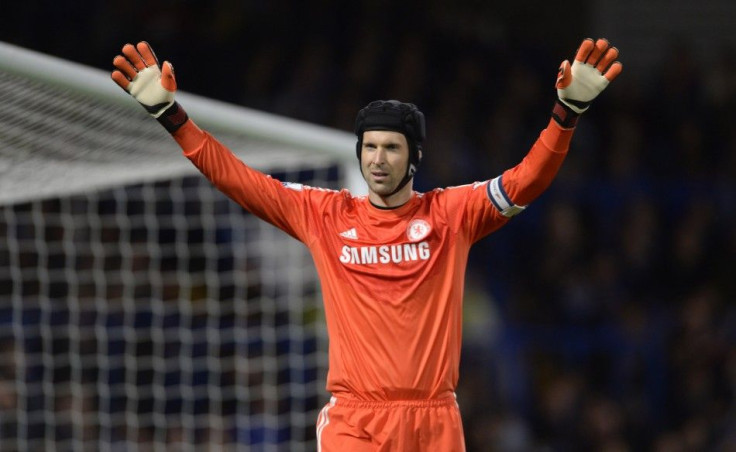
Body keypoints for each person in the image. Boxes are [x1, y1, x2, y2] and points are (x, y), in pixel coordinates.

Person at [111, 38, 621, 451]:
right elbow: (238, 179)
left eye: (391, 147)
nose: (377, 159)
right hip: (356, 420)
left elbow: (526, 180)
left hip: (435, 420)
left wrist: (566, 112)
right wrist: (172, 117)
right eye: (369, 147)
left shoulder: (451, 214)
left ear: (415, 154)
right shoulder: (325, 214)